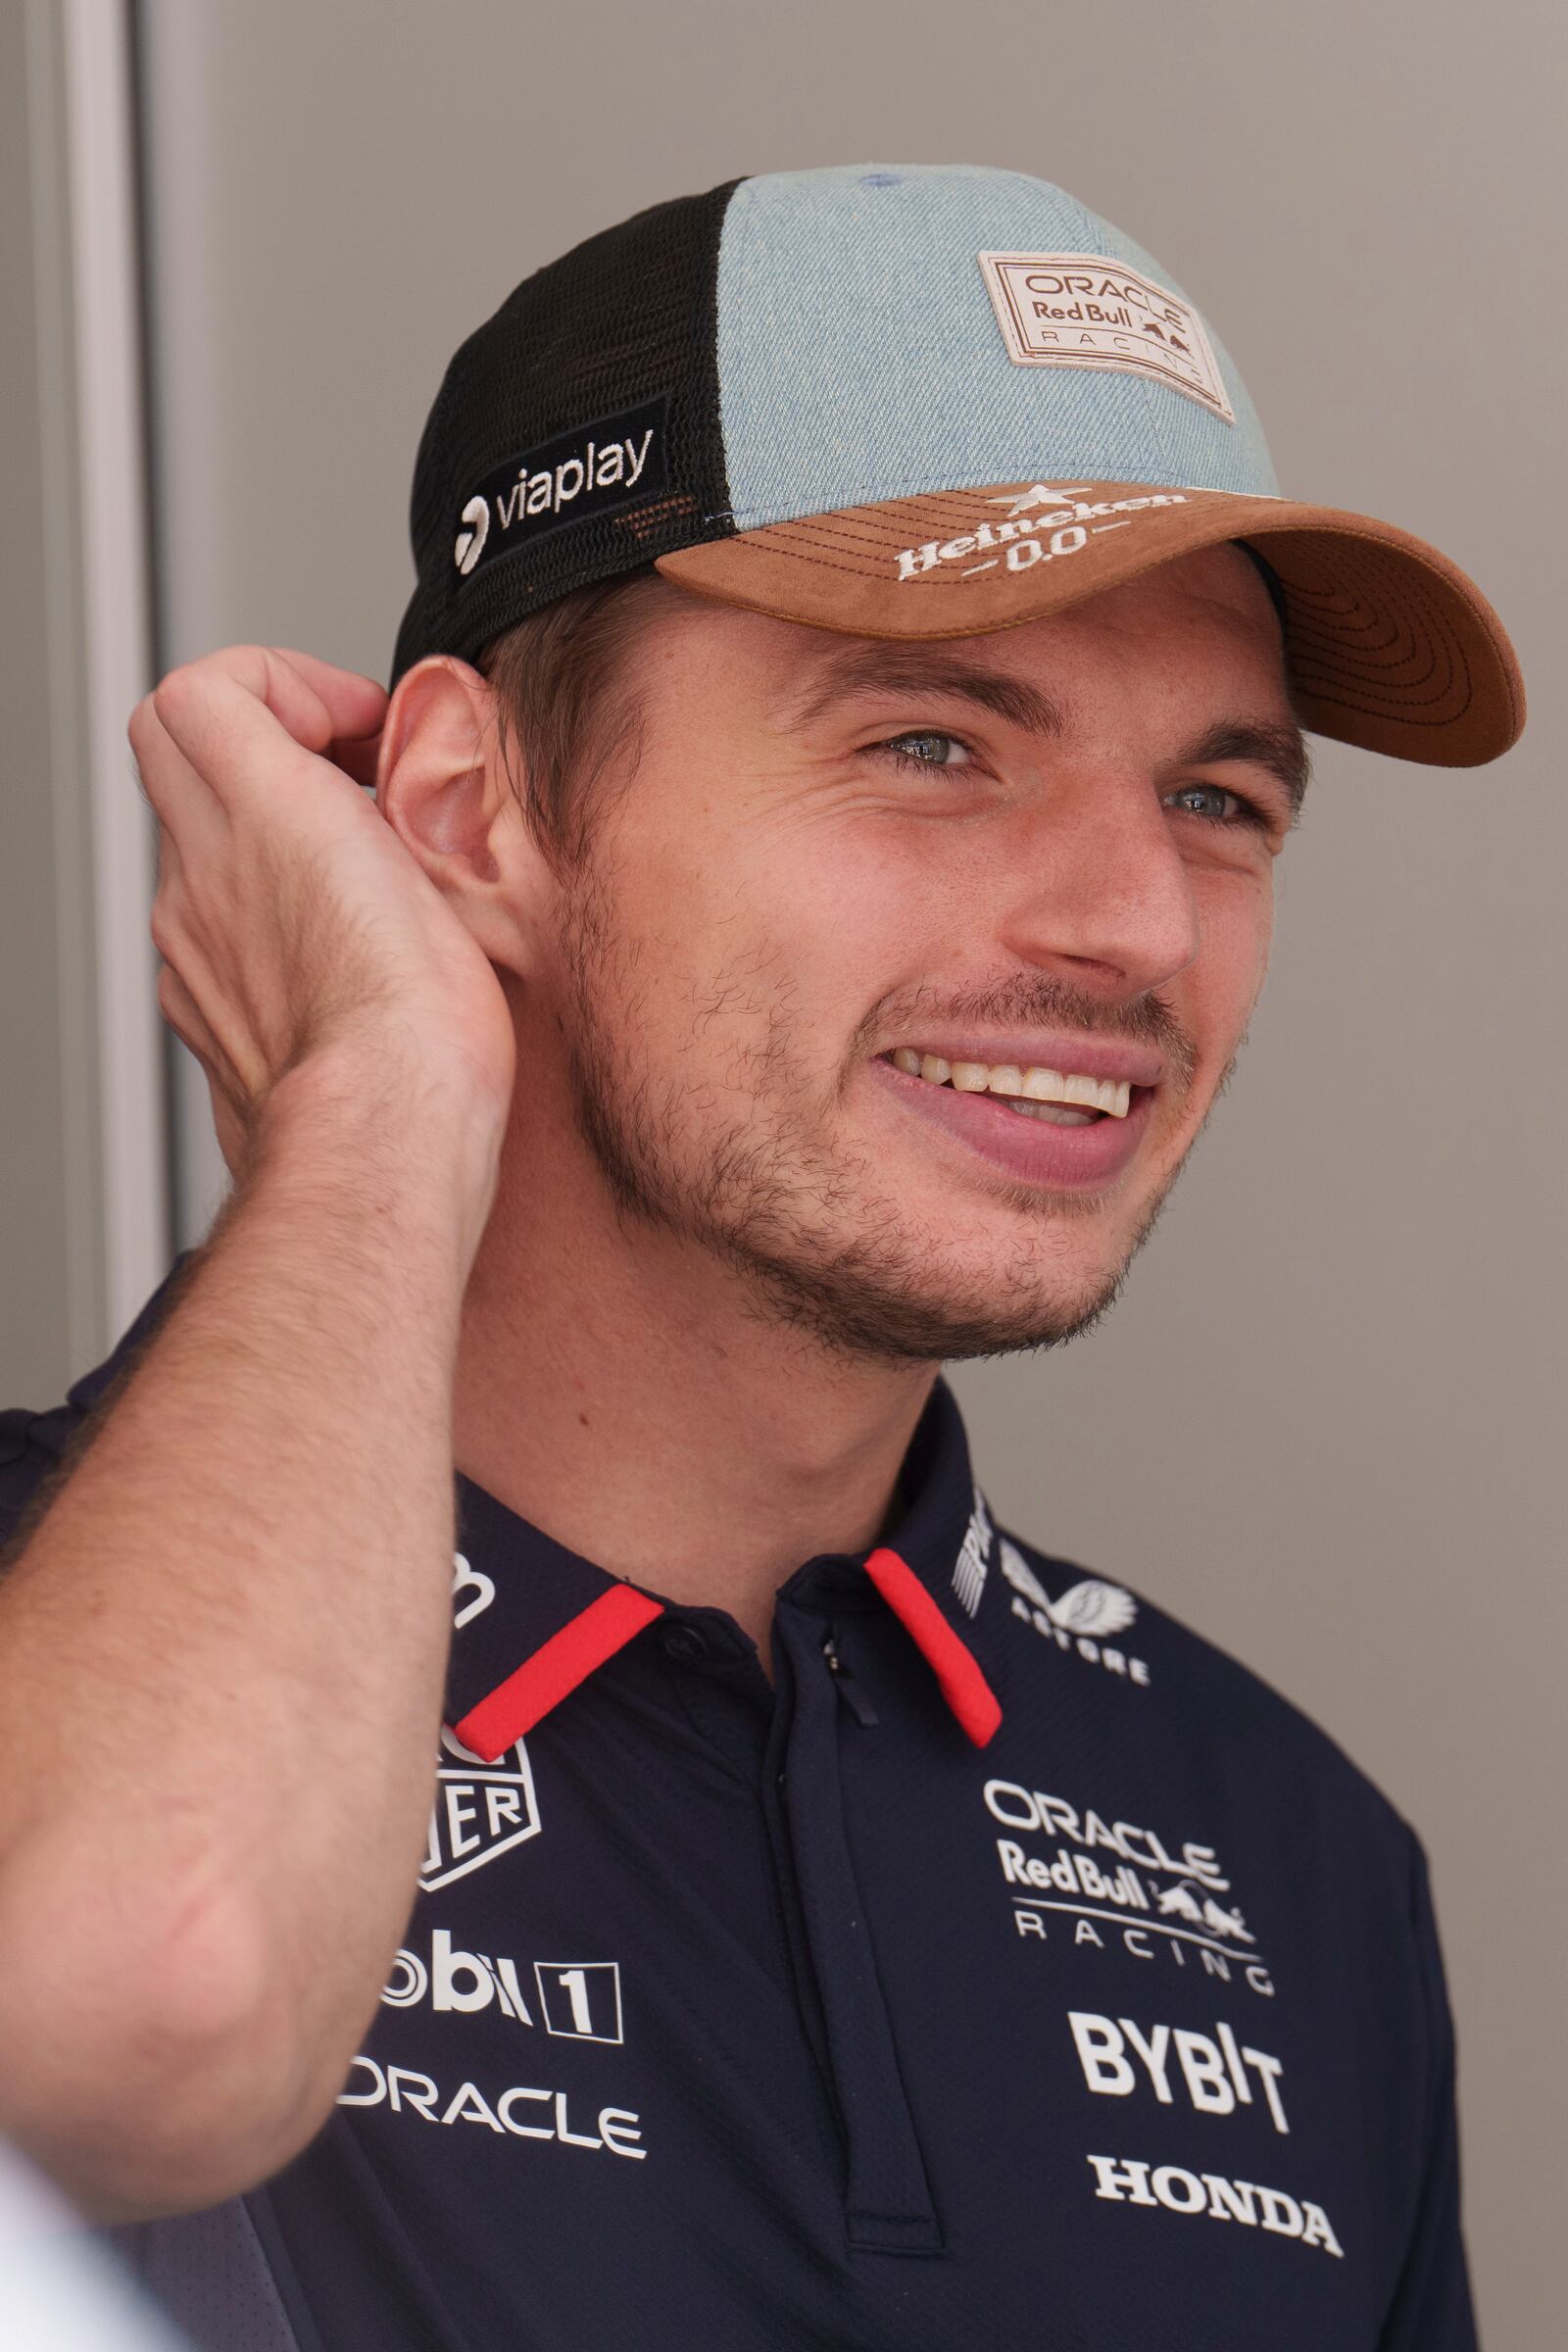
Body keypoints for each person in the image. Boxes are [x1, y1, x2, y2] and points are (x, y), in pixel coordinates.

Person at [0, 164, 1524, 2350]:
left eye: (1217, 799)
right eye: (929, 744)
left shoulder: (1287, 1859)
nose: (1128, 923)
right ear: (463, 812)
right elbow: (141, 1967)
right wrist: (371, 1092)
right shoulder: (50, 1706)